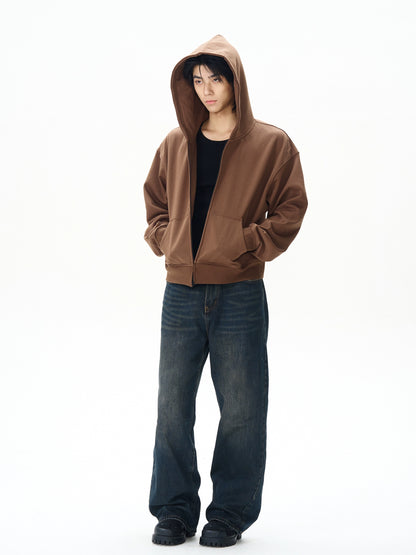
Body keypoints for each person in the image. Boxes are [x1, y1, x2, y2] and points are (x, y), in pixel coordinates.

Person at [143, 34, 308, 547]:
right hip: (181, 294)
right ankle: (174, 511)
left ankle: (230, 514)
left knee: (241, 410)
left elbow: (290, 210)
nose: (207, 89)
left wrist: (244, 243)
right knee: (172, 408)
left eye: (216, 79)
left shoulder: (271, 144)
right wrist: (167, 240)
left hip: (239, 293)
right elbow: (155, 206)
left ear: (235, 81)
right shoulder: (176, 143)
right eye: (198, 80)